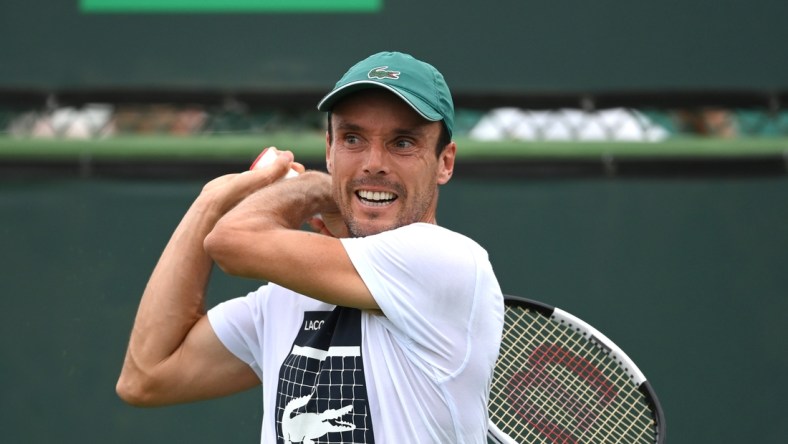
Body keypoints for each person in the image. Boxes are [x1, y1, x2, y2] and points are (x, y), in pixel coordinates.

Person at [116, 51, 504, 443]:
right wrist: (207, 203)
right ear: (329, 149)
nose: (373, 163)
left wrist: (312, 188)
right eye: (353, 138)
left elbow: (231, 241)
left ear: (445, 162)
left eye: (402, 143)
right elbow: (147, 377)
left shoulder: (446, 259)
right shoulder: (285, 299)